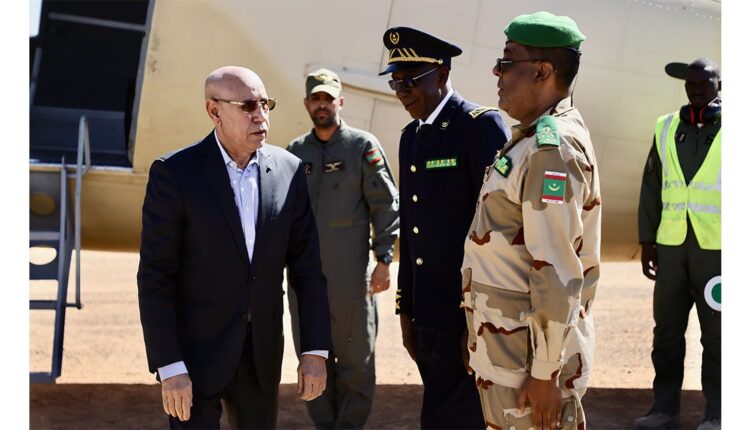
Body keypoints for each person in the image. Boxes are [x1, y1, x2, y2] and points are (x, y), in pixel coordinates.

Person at [137, 66, 332, 429]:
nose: (261, 116)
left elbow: (307, 270)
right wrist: (170, 366)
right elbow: (155, 277)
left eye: (265, 104)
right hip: (194, 357)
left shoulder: (290, 170)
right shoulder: (175, 173)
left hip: (260, 357)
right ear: (214, 111)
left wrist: (315, 350)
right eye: (248, 106)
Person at [461, 11, 600, 430]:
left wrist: (545, 373)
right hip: (508, 356)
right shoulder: (530, 140)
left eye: (507, 62)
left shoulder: (551, 149)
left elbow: (556, 267)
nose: (497, 73)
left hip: (529, 371)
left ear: (542, 72)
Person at [379, 26, 510, 429]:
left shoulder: (479, 127)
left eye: (411, 81)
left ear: (441, 74)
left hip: (464, 313)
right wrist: (406, 308)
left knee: (450, 419)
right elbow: (412, 231)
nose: (402, 92)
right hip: (427, 314)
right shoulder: (411, 137)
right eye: (396, 82)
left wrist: (477, 320)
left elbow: (498, 231)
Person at [286, 68, 399, 429]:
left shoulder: (362, 146)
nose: (322, 104)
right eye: (316, 98)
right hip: (305, 284)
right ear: (307, 103)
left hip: (350, 282)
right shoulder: (294, 153)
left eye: (328, 98)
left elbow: (386, 204)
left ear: (340, 102)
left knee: (357, 366)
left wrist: (384, 259)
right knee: (311, 361)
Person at [635, 59, 722, 430]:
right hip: (671, 247)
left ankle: (718, 412)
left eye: (705, 83)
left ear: (720, 85)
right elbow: (651, 186)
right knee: (666, 332)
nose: (696, 89)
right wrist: (647, 239)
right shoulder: (667, 126)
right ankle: (663, 409)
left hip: (717, 252)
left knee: (719, 335)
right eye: (691, 83)